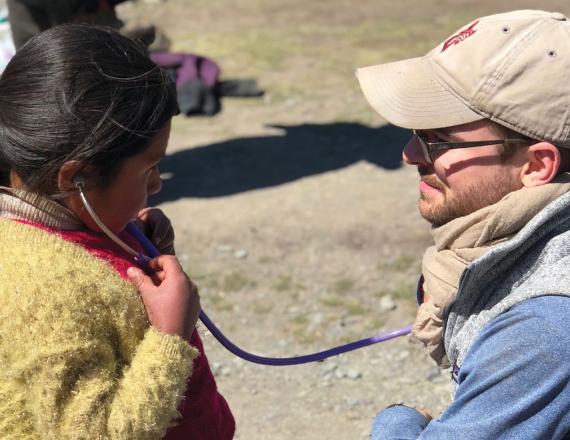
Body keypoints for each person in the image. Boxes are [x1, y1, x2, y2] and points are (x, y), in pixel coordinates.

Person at [0, 24, 234, 439]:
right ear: (77, 179)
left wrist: (133, 249)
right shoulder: (48, 291)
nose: (158, 184)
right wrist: (168, 338)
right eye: (148, 169)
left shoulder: (67, 227)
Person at [356, 9, 570, 439]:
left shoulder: (544, 325)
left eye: (438, 141)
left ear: (536, 164)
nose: (410, 155)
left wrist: (400, 420)